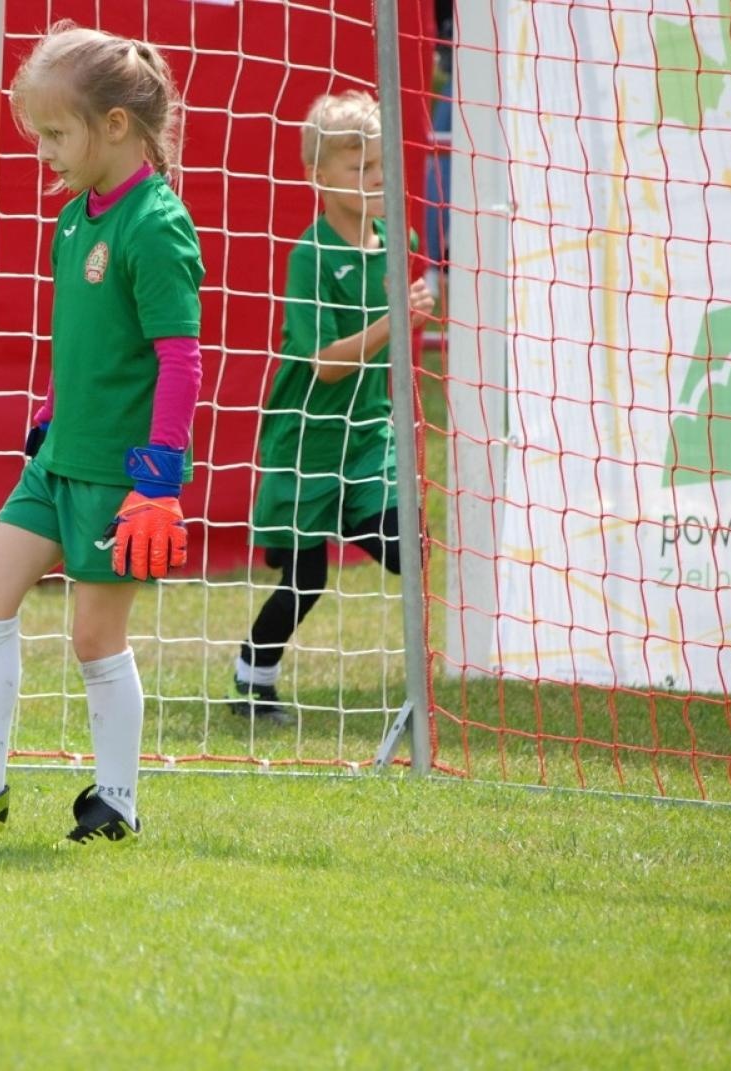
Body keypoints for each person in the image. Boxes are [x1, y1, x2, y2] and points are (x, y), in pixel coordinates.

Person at [0, 22, 204, 845]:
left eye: (56, 134)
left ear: (116, 126)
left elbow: (180, 358)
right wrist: (48, 416)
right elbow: (78, 338)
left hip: (120, 474)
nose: (45, 152)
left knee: (96, 636)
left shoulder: (156, 226)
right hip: (58, 462)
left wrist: (158, 480)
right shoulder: (74, 221)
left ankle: (117, 804)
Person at [230, 91, 434, 726]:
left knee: (408, 549)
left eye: (380, 166)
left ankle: (355, 513)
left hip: (370, 431)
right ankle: (251, 681)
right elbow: (324, 362)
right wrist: (392, 322)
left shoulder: (395, 237)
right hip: (307, 437)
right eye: (359, 169)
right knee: (305, 578)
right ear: (318, 176)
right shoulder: (308, 257)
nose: (375, 180)